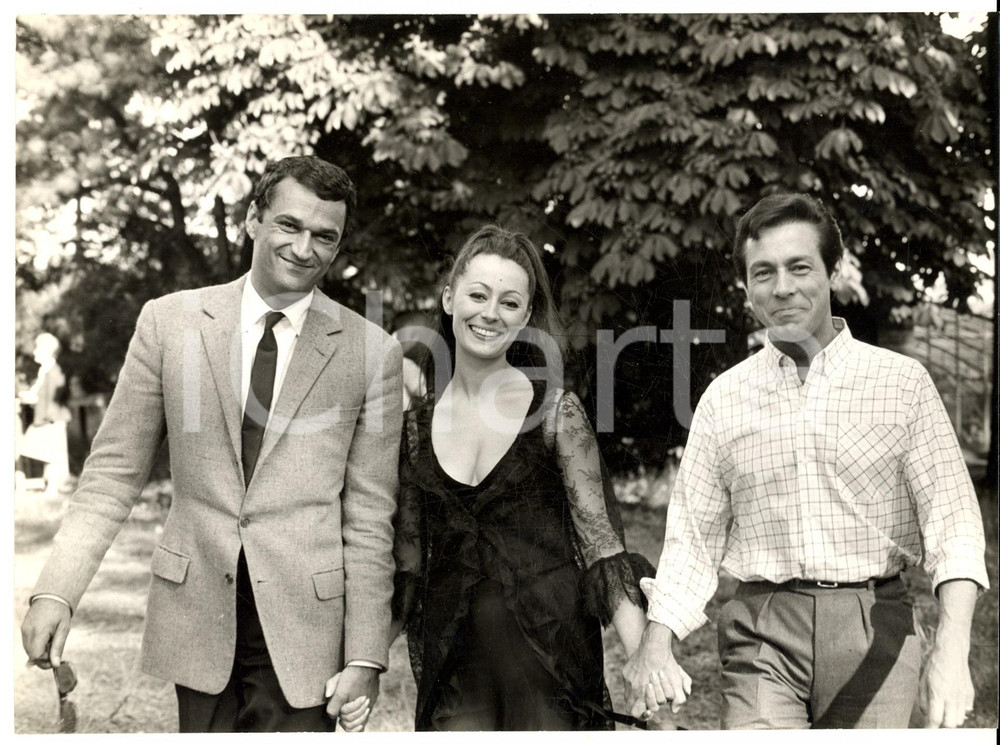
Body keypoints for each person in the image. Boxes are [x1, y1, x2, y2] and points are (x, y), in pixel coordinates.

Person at [20, 155, 404, 733]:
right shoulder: (169, 323)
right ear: (254, 219)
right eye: (289, 226)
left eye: (325, 236)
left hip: (308, 629)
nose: (305, 249)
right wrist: (57, 592)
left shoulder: (372, 353)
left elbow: (371, 516)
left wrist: (365, 655)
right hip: (198, 612)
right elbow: (112, 474)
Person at [624, 193, 989, 729]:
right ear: (747, 288)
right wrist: (656, 644)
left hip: (875, 623)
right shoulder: (725, 399)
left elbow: (953, 523)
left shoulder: (901, 384)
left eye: (799, 267)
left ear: (832, 270)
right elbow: (691, 541)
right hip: (762, 634)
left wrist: (953, 652)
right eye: (763, 272)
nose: (783, 287)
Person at [390, 224, 656, 731]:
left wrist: (645, 659)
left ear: (527, 317)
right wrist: (358, 661)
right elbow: (408, 565)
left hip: (551, 659)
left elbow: (601, 546)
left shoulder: (556, 413)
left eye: (510, 302)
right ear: (449, 299)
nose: (491, 312)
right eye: (477, 295)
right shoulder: (415, 430)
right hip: (454, 667)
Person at [18, 332, 72, 497]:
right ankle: (50, 486)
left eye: (37, 349)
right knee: (42, 452)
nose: (34, 352)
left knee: (49, 453)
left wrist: (49, 417)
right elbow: (39, 394)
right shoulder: (44, 371)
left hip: (50, 420)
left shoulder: (54, 371)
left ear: (47, 351)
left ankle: (53, 488)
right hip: (44, 419)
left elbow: (56, 397)